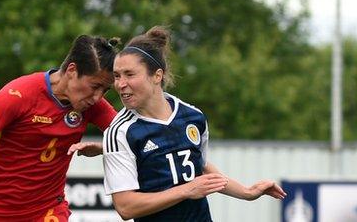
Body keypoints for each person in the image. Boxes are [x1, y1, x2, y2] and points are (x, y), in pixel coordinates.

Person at [102, 26, 287, 221]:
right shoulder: (120, 132)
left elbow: (201, 165)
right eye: (116, 76)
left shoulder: (192, 117)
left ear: (157, 75)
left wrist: (247, 192)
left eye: (129, 74)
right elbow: (126, 207)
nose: (120, 84)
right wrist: (186, 190)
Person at [0, 35, 120, 222]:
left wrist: (104, 148)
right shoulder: (17, 95)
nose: (98, 97)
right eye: (95, 86)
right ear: (72, 70)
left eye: (105, 90)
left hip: (46, 212)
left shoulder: (91, 105)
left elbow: (131, 138)